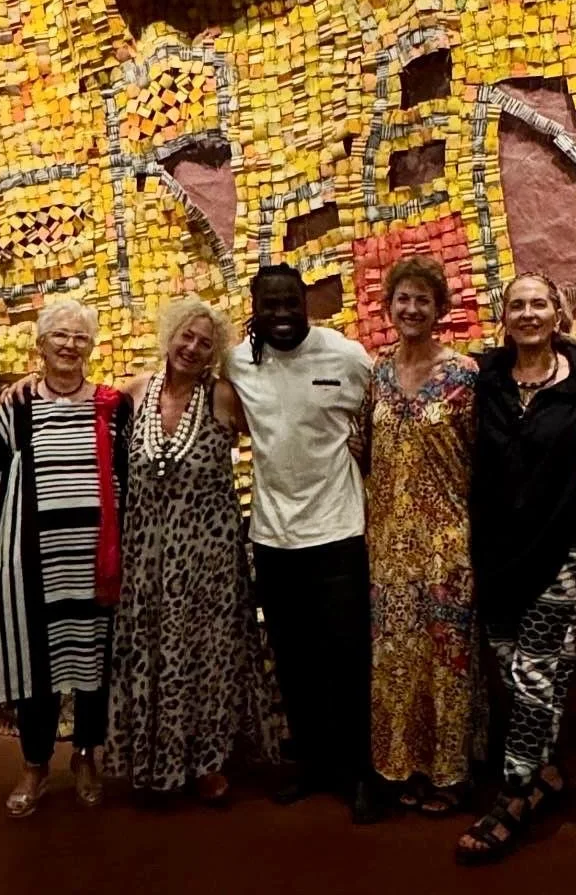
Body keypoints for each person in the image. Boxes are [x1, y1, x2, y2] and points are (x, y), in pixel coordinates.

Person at [0, 299, 131, 818]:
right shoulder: (18, 406)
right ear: (40, 343)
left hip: (97, 564)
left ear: (91, 346)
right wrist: (1, 517)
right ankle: (34, 766)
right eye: (60, 335)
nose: (69, 345)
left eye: (80, 337)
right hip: (36, 567)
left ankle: (86, 756)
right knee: (37, 665)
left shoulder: (111, 406)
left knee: (95, 662)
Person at [104, 296, 279, 802]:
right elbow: (79, 410)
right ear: (170, 335)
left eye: (205, 343)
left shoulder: (222, 396)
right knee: (151, 653)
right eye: (187, 336)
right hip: (147, 556)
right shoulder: (134, 392)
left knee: (209, 656)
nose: (193, 348)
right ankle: (152, 758)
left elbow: (279, 434)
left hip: (210, 558)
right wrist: (26, 386)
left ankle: (208, 762)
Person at [223, 263, 379, 822]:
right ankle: (313, 765)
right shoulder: (237, 362)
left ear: (306, 301)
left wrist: (369, 458)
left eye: (292, 303)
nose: (283, 315)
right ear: (255, 307)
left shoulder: (346, 356)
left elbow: (387, 413)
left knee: (348, 660)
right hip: (272, 538)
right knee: (293, 661)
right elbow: (179, 379)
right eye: (271, 305)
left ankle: (360, 774)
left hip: (338, 533)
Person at [457, 273, 576, 865]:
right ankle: (546, 773)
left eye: (539, 304)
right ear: (505, 318)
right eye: (518, 305)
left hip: (560, 552)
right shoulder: (485, 377)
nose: (529, 314)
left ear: (558, 315)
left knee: (536, 677)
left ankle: (512, 798)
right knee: (518, 679)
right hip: (497, 556)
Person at [364, 256, 479, 816]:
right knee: (396, 656)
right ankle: (402, 765)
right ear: (388, 307)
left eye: (422, 301)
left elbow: (483, 455)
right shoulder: (376, 375)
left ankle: (450, 773)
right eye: (402, 299)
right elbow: (362, 450)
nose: (411, 309)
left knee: (447, 656)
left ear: (440, 310)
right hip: (387, 542)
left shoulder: (464, 374)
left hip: (445, 540)